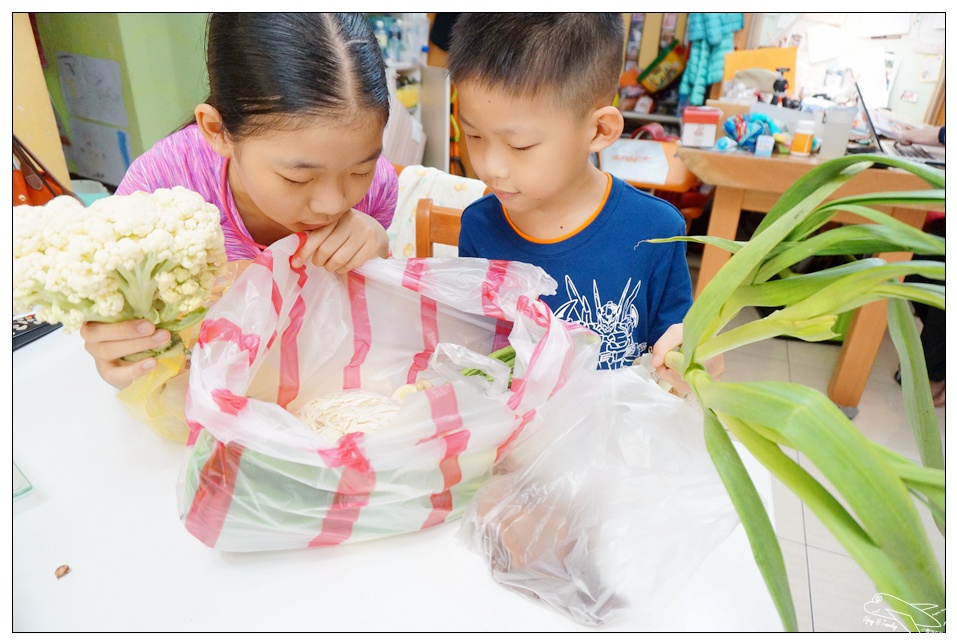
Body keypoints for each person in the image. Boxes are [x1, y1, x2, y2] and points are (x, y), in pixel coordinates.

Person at [80, 13, 398, 390]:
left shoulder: (377, 189)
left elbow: (361, 329)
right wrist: (124, 353)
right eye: (297, 178)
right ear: (217, 131)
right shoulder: (156, 194)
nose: (332, 204)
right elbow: (123, 337)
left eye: (359, 170)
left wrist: (378, 260)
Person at [447, 13, 715, 391]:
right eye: (473, 135)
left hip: (614, 437)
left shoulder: (655, 231)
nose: (490, 168)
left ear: (599, 130)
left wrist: (696, 360)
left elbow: (676, 350)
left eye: (519, 145)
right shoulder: (478, 226)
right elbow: (474, 353)